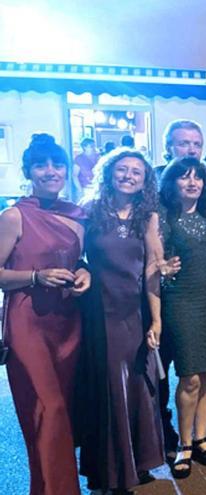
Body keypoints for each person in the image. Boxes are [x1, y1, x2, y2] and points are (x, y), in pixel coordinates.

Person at [0, 134, 91, 495]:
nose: (50, 171)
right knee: (48, 407)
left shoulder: (77, 214)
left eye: (57, 164)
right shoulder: (14, 216)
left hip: (67, 322)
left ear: (67, 170)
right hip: (27, 322)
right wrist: (36, 277)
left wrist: (85, 271)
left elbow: (79, 259)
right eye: (41, 165)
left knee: (58, 410)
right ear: (28, 172)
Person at [78, 148, 165, 492]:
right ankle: (114, 475)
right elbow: (74, 254)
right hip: (100, 313)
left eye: (136, 172)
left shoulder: (147, 217)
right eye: (123, 169)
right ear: (109, 172)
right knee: (111, 389)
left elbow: (152, 270)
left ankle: (135, 464)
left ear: (145, 182)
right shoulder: (90, 209)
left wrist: (156, 320)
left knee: (138, 388)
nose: (129, 176)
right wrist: (81, 268)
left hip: (134, 313)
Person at [158, 158, 206, 478]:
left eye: (198, 177)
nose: (192, 183)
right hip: (181, 300)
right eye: (185, 177)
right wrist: (162, 270)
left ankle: (202, 438)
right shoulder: (162, 216)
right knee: (189, 376)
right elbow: (152, 259)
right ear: (172, 182)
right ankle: (184, 442)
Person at [153, 119, 205, 455]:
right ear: (168, 147)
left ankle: (196, 430)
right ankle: (159, 428)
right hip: (157, 293)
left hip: (196, 295)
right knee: (159, 368)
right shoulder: (153, 187)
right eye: (183, 143)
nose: (190, 149)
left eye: (196, 144)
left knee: (195, 367)